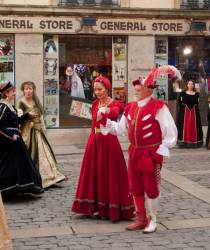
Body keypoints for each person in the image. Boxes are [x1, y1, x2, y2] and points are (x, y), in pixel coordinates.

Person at [97, 77, 177, 233]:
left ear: (149, 90)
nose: (136, 91)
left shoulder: (158, 107)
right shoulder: (130, 107)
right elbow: (120, 129)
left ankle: (152, 219)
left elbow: (170, 131)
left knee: (151, 187)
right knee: (135, 186)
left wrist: (161, 150)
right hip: (134, 152)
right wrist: (104, 120)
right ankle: (140, 219)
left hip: (150, 154)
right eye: (136, 88)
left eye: (139, 88)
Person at [72, 75, 134, 222]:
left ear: (107, 88)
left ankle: (109, 208)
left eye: (100, 89)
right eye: (95, 89)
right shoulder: (94, 104)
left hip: (109, 142)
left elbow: (114, 113)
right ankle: (93, 207)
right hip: (94, 141)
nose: (97, 92)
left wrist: (106, 111)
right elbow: (86, 115)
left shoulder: (116, 104)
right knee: (93, 173)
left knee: (109, 173)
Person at [17, 81, 66, 188]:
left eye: (30, 88)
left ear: (33, 90)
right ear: (23, 90)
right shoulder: (20, 102)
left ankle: (50, 177)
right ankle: (34, 179)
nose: (28, 91)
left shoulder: (36, 101)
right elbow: (19, 118)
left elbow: (41, 117)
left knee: (45, 154)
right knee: (33, 154)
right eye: (26, 89)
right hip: (29, 132)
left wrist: (43, 128)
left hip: (39, 131)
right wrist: (26, 119)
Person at [0, 81, 44, 195]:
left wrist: (27, 116)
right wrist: (10, 135)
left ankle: (21, 187)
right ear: (6, 93)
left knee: (20, 165)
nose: (14, 92)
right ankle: (8, 189)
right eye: (12, 91)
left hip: (16, 141)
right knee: (9, 165)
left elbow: (16, 121)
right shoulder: (2, 107)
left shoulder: (11, 106)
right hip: (9, 142)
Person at [177, 80, 203, 148]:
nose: (191, 85)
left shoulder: (196, 94)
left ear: (193, 85)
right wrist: (184, 108)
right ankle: (184, 142)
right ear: (187, 85)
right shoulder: (183, 93)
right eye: (189, 84)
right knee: (185, 126)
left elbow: (197, 103)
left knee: (193, 126)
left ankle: (193, 141)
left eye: (192, 84)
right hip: (185, 113)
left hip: (194, 113)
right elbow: (179, 102)